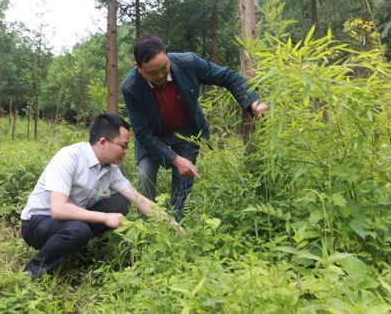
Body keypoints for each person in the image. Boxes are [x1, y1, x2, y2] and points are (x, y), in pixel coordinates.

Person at [120, 35, 269, 221]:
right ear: (138, 67)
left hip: (186, 132)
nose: (159, 76)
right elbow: (142, 133)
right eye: (152, 73)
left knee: (183, 183)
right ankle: (146, 226)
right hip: (153, 136)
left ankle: (176, 225)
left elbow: (227, 76)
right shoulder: (130, 87)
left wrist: (253, 101)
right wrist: (174, 159)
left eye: (163, 68)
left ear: (167, 56)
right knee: (145, 175)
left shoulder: (187, 62)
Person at [20, 112, 182, 279]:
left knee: (120, 202)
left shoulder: (110, 169)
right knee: (79, 229)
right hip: (37, 223)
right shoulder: (69, 157)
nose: (126, 152)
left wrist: (172, 223)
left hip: (70, 222)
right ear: (103, 142)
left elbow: (139, 199)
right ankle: (31, 273)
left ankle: (78, 250)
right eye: (123, 145)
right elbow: (58, 209)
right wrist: (105, 217)